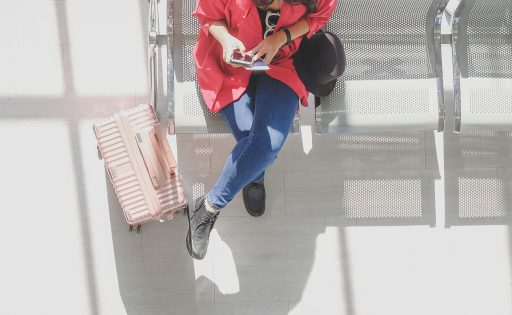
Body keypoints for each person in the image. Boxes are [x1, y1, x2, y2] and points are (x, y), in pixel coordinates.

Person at [186, 0, 337, 260]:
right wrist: (226, 40)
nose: (276, 5)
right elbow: (209, 17)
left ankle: (209, 207)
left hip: (285, 63)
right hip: (230, 65)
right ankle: (253, 176)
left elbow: (319, 16)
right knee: (252, 142)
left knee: (264, 147)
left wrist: (282, 37)